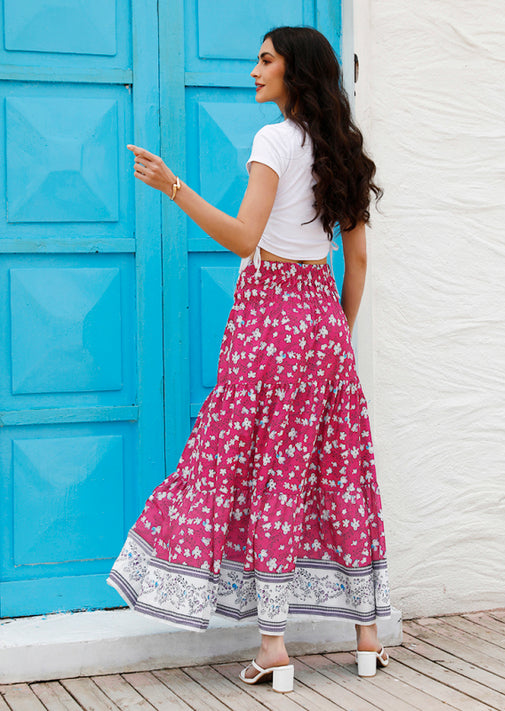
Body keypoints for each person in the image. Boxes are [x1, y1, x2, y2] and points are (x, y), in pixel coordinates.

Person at [107, 25, 392, 692]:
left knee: (262, 470)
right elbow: (357, 261)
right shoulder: (341, 149)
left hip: (268, 322)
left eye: (266, 60)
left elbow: (242, 237)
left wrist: (172, 186)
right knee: (339, 470)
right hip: (321, 324)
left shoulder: (273, 141)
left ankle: (273, 646)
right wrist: (335, 341)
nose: (254, 69)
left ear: (296, 72)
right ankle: (368, 637)